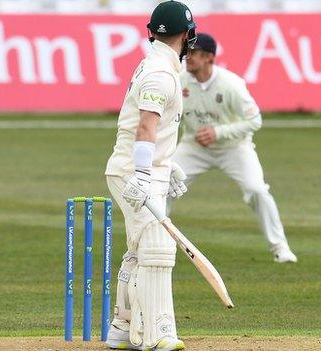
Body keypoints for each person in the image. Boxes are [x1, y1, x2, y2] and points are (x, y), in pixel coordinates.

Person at [104, 1, 196, 350]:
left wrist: (165, 164)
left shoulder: (158, 65)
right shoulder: (160, 71)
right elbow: (144, 126)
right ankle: (158, 334)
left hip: (140, 168)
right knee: (157, 248)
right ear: (187, 35)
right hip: (134, 172)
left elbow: (148, 128)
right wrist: (144, 174)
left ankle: (122, 329)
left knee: (139, 250)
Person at [170, 33, 296, 263]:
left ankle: (281, 248)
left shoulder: (231, 85)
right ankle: (151, 244)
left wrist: (218, 132)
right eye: (186, 52)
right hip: (193, 147)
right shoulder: (179, 81)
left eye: (193, 53)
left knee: (257, 190)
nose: (187, 57)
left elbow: (254, 120)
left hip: (233, 148)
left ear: (209, 57)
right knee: (165, 185)